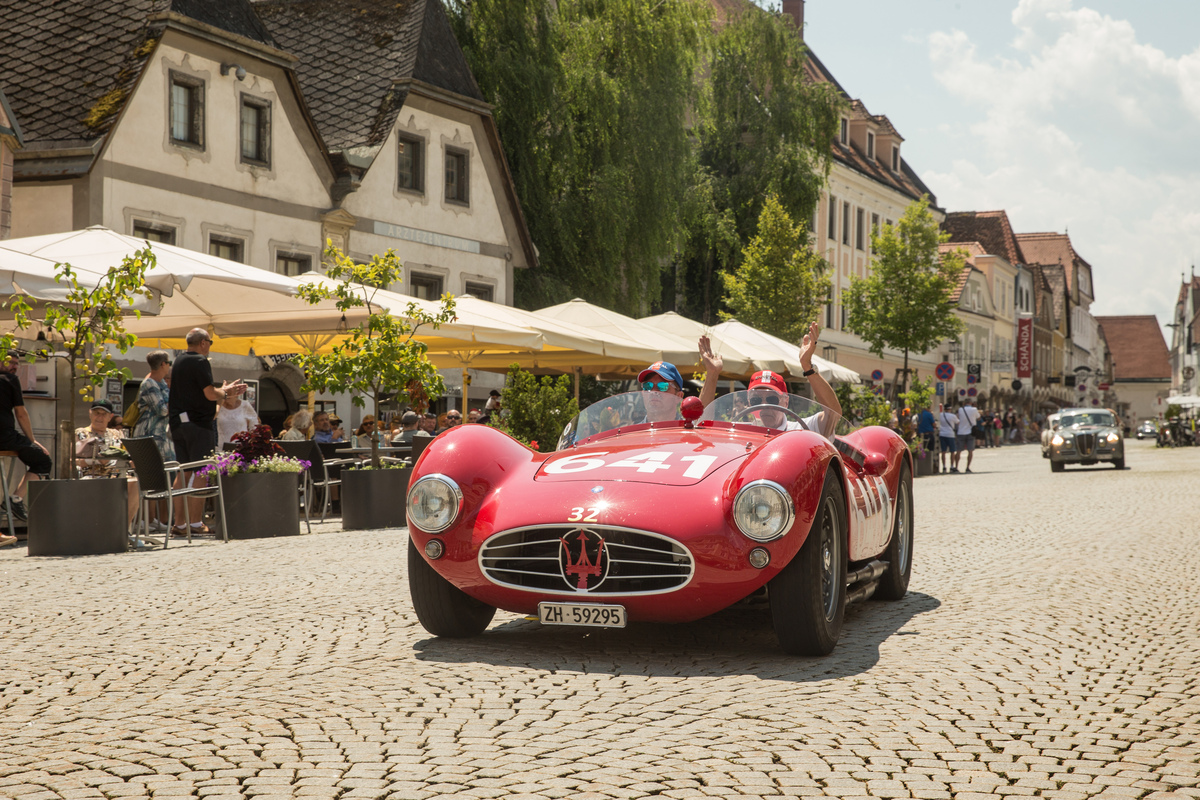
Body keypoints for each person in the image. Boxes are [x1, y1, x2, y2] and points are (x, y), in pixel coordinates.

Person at [169, 328, 245, 535]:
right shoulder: (201, 362)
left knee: (183, 472)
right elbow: (210, 394)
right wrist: (226, 392)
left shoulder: (179, 360)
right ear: (203, 343)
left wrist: (223, 393)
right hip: (197, 425)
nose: (210, 346)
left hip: (179, 424)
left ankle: (180, 523)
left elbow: (201, 395)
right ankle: (195, 523)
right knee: (202, 471)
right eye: (210, 343)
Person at [739, 323, 843, 438]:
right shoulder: (742, 435)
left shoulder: (801, 429)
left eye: (772, 399)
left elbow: (833, 413)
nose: (764, 405)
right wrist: (714, 377)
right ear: (749, 404)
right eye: (756, 400)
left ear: (786, 402)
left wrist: (807, 367)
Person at [0, 353, 51, 524]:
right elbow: (21, 414)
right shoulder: (10, 380)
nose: (14, 366)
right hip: (4, 437)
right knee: (43, 459)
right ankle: (15, 500)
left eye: (16, 363)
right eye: (10, 363)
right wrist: (32, 440)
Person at [132, 351, 176, 531]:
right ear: (163, 364)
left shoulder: (161, 384)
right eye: (169, 363)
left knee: (164, 479)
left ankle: (153, 519)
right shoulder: (149, 383)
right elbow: (163, 410)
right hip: (148, 437)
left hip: (162, 439)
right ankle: (144, 520)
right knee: (149, 479)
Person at [75, 399, 125, 478]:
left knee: (132, 481)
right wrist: (96, 461)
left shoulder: (117, 434)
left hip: (116, 477)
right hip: (90, 478)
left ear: (110, 417)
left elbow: (126, 457)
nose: (100, 417)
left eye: (104, 414)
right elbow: (70, 462)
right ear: (90, 413)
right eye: (97, 413)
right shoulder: (81, 433)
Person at [955, 397, 980, 473]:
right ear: (971, 403)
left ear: (964, 403)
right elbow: (978, 418)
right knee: (970, 451)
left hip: (961, 431)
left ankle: (956, 467)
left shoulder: (960, 409)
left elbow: (958, 417)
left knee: (958, 450)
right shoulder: (974, 409)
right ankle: (967, 467)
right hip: (971, 432)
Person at [938, 403, 959, 473]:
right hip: (950, 434)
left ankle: (944, 466)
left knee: (943, 451)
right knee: (952, 451)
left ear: (944, 409)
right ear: (950, 409)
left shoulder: (940, 415)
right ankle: (952, 466)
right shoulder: (953, 416)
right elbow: (958, 422)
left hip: (942, 434)